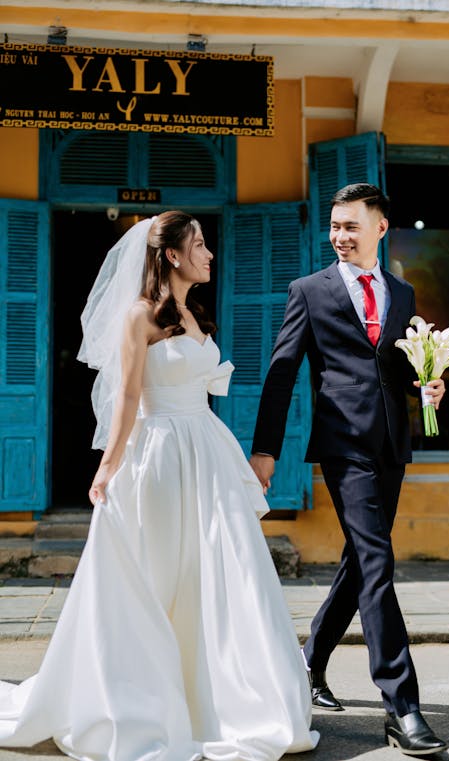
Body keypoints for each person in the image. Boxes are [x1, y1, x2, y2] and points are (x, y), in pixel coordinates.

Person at [0, 212, 319, 761]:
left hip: (207, 453)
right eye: (199, 244)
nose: (210, 254)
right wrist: (108, 466)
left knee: (221, 573)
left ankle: (223, 700)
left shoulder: (195, 316)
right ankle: (142, 700)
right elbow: (126, 398)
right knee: (156, 572)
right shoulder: (139, 315)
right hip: (160, 455)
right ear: (171, 255)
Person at [250, 184, 448, 757]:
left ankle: (310, 659)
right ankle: (402, 705)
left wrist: (428, 387)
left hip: (393, 444)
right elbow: (283, 371)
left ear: (380, 229)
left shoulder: (404, 294)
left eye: (350, 226)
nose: (339, 236)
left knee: (362, 559)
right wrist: (266, 449)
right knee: (378, 561)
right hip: (342, 445)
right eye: (334, 226)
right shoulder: (309, 291)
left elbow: (408, 366)